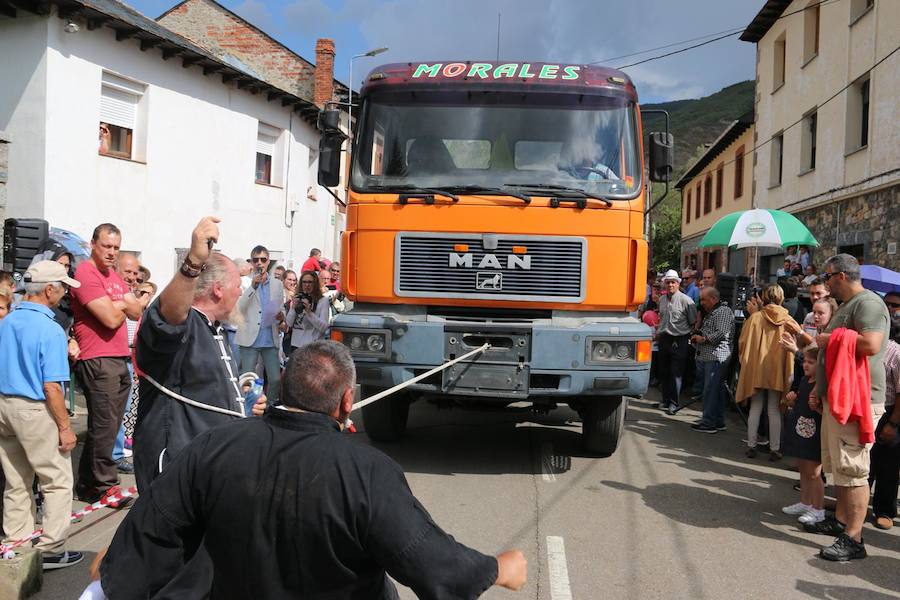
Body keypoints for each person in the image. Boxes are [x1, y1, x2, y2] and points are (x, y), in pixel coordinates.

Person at [99, 341, 528, 598]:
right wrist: (497, 569)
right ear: (346, 401)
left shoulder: (215, 445)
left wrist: (117, 564)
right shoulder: (367, 471)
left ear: (282, 384)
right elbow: (428, 559)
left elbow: (156, 527)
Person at [805, 254, 889, 562]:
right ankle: (841, 521)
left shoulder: (868, 304)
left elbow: (871, 345)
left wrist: (831, 338)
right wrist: (819, 387)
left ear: (841, 276)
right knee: (837, 465)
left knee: (853, 469)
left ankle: (854, 538)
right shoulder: (848, 306)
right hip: (838, 397)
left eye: (827, 278)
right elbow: (834, 352)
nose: (825, 285)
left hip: (858, 399)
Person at [0, 261, 83, 569]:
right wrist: (65, 427)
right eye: (62, 288)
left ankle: (15, 544)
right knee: (57, 481)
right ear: (49, 290)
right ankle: (50, 550)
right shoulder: (49, 329)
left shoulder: (6, 322)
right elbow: (52, 387)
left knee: (17, 480)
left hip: (4, 404)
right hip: (33, 409)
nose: (63, 295)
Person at [70, 224, 143, 507]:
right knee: (104, 426)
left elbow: (136, 310)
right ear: (93, 245)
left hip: (118, 357)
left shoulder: (112, 275)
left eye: (116, 247)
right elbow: (112, 320)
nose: (112, 252)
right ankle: (104, 486)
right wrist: (120, 304)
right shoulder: (85, 274)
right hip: (97, 358)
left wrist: (118, 303)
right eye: (107, 246)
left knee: (109, 426)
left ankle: (88, 486)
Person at [736, 284, 796, 461]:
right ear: (781, 297)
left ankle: (751, 446)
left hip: (756, 369)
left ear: (763, 296)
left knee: (755, 407)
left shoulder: (754, 318)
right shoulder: (788, 320)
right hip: (777, 370)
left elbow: (743, 344)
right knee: (774, 409)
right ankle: (775, 449)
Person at [780, 346, 826, 526]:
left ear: (820, 365)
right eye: (805, 362)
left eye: (811, 362)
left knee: (815, 473)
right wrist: (791, 399)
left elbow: (825, 412)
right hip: (801, 430)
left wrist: (817, 407)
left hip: (814, 434)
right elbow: (795, 403)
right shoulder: (805, 381)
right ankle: (805, 502)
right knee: (804, 469)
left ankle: (818, 509)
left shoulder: (821, 386)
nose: (806, 365)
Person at [235, 245, 284, 404]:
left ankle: (267, 408)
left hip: (269, 336)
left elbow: (279, 307)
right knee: (247, 380)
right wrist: (253, 287)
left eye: (263, 259)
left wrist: (280, 316)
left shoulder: (277, 284)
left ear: (268, 261)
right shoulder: (244, 282)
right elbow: (239, 309)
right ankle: (248, 410)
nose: (260, 263)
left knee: (275, 379)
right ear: (251, 262)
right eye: (256, 260)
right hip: (249, 337)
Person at [689, 287, 734, 433]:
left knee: (710, 391)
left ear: (714, 298)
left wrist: (703, 338)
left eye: (704, 299)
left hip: (716, 357)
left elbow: (722, 333)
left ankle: (708, 423)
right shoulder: (714, 312)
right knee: (717, 391)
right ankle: (718, 421)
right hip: (711, 357)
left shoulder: (723, 311)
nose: (701, 303)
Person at [868, 320, 899, 531]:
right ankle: (853, 504)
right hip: (867, 409)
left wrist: (893, 423)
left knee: (888, 465)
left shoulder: (896, 353)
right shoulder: (868, 348)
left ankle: (884, 510)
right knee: (864, 463)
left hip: (889, 414)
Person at [656, 270, 697, 414]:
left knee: (676, 373)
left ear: (678, 284)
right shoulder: (661, 300)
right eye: (668, 282)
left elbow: (693, 321)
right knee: (664, 371)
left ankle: (674, 402)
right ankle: (665, 400)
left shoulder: (687, 300)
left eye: (673, 282)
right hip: (664, 338)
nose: (670, 285)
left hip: (680, 339)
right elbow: (661, 318)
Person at [284, 271, 331, 352]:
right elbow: (289, 323)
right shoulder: (298, 298)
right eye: (304, 282)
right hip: (296, 344)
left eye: (310, 282)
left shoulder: (323, 301)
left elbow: (323, 327)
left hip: (313, 345)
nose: (307, 285)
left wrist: (309, 313)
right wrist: (293, 309)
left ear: (315, 284)